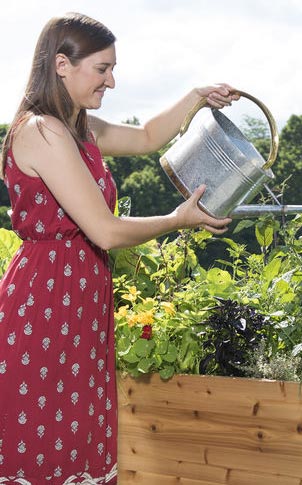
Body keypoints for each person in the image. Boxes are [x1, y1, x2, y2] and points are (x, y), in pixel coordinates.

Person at [0, 12, 239, 484]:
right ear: (62, 64)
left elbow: (150, 137)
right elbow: (105, 231)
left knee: (77, 437)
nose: (112, 79)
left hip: (80, 303)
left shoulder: (79, 128)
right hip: (44, 303)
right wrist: (177, 220)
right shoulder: (43, 131)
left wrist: (195, 97)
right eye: (102, 68)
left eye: (113, 68)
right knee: (44, 444)